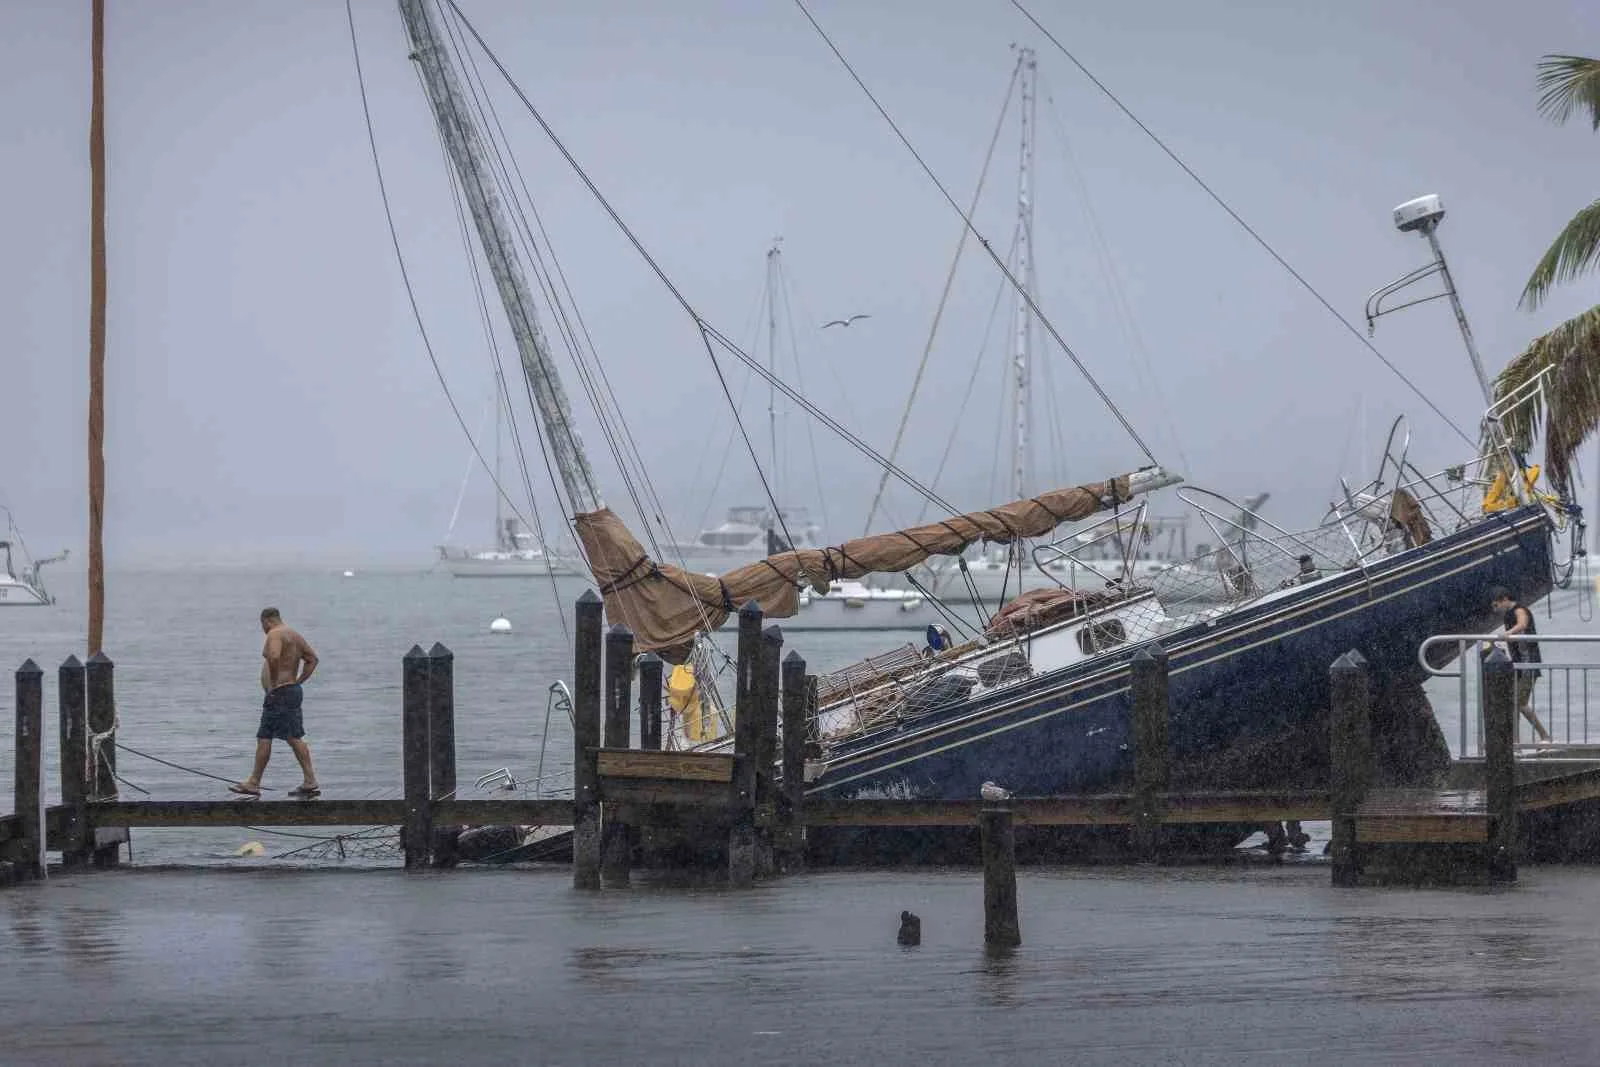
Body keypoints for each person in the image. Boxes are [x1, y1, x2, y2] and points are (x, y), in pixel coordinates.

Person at [231, 607, 321, 797]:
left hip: (279, 693)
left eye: (262, 625)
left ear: (267, 620)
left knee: (279, 736)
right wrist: (298, 681)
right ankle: (305, 780)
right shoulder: (294, 635)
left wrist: (273, 684)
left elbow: (273, 656)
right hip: (291, 691)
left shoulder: (275, 633)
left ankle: (258, 782)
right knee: (280, 735)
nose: (263, 629)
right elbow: (312, 659)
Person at [1489, 586, 1551, 743]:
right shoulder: (1507, 615)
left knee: (1520, 703)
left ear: (1505, 599)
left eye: (1496, 605)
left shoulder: (1519, 610)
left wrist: (1508, 634)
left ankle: (1545, 737)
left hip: (1528, 663)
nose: (1495, 609)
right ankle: (1514, 742)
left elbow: (1523, 624)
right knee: (1514, 703)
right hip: (1518, 665)